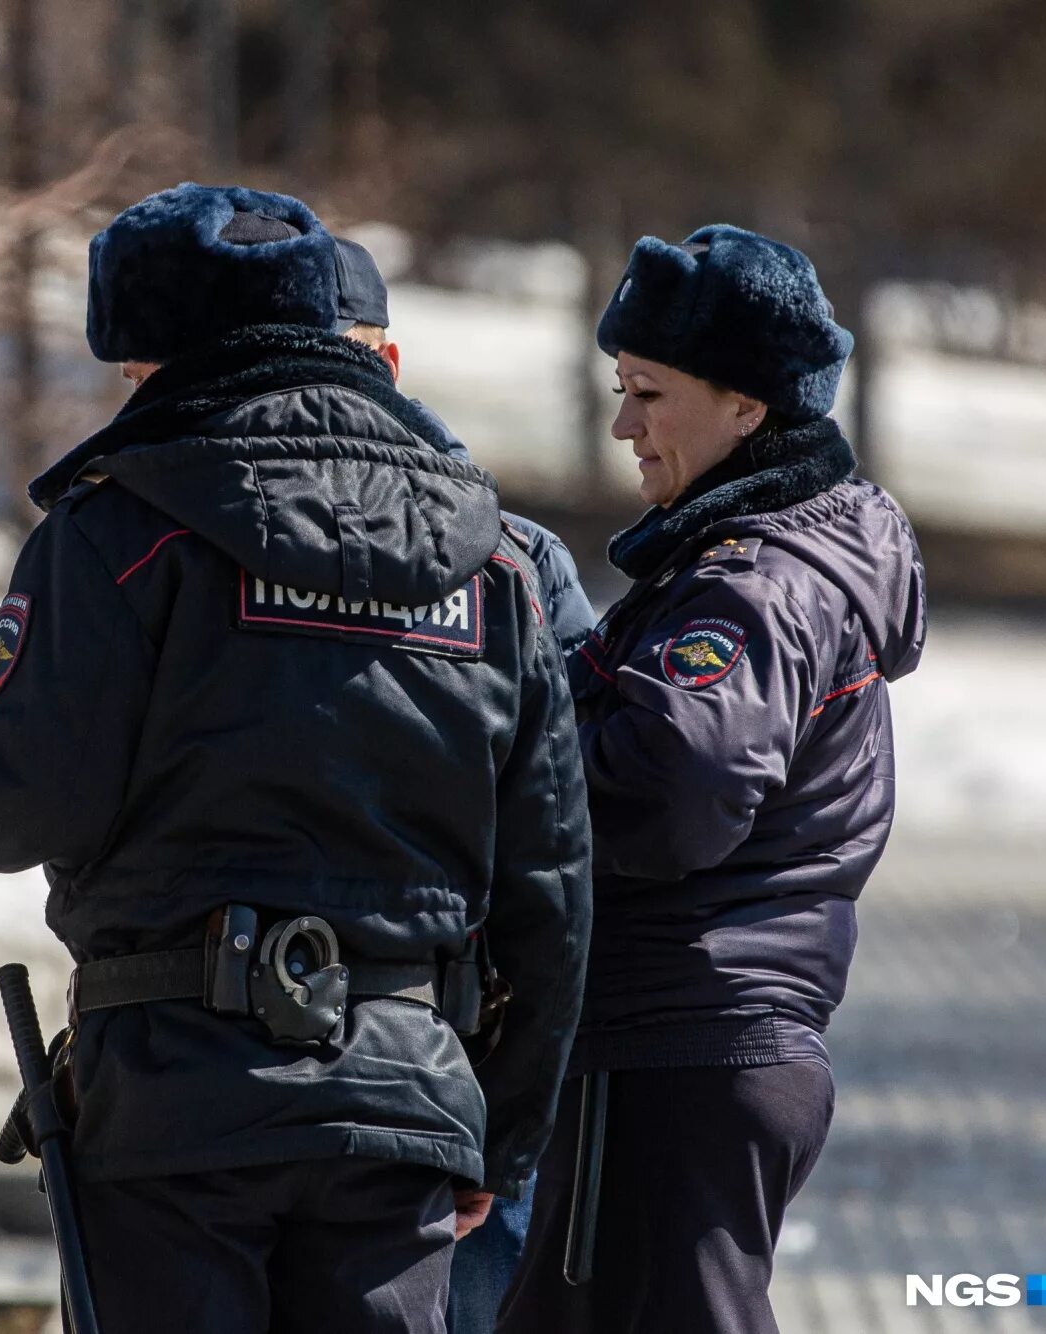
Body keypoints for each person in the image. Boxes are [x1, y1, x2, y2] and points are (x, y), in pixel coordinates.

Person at [0, 183, 592, 1333]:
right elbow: (550, 888)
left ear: (166, 357)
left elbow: (2, 799)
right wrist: (502, 1127)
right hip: (400, 1106)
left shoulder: (120, 533)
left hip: (176, 1105)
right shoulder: (491, 566)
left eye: (130, 366)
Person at [497, 225, 928, 1334]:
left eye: (647, 391)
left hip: (673, 1047)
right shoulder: (748, 560)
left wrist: (488, 757)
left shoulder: (751, 585)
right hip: (688, 1049)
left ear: (746, 406)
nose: (620, 425)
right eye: (617, 387)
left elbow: (666, 797)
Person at [327, 236, 588, 1334]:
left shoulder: (512, 558)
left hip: (444, 1054)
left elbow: (565, 841)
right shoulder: (510, 556)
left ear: (386, 360)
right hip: (433, 1072)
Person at [331, 236, 597, 660]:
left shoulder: (194, 529)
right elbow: (568, 722)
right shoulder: (521, 557)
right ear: (390, 365)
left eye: (334, 366)